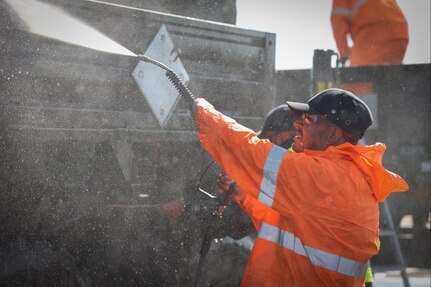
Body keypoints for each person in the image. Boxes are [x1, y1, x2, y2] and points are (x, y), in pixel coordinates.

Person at [192, 88, 408, 286]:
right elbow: (292, 226)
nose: (298, 123)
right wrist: (245, 196)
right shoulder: (345, 174)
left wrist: (205, 114)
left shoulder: (324, 176)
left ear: (333, 134)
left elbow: (252, 154)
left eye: (308, 118)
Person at [331, 0, 409, 66]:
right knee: (391, 74)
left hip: (373, 31)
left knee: (357, 77)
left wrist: (344, 53)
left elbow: (339, 25)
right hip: (400, 31)